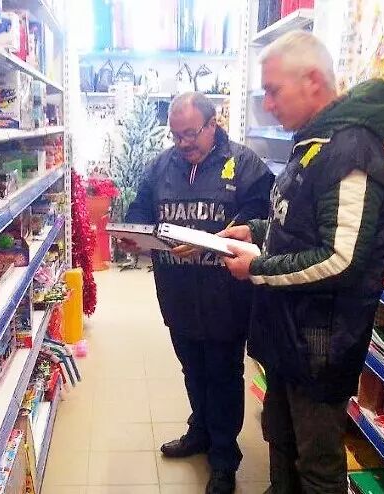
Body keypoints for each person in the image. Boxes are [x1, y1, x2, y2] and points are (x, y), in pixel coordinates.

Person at [221, 31, 384, 493]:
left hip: (319, 345)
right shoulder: (314, 142)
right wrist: (257, 231)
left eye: (274, 91)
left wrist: (257, 269)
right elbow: (298, 221)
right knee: (281, 439)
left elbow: (340, 259)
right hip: (288, 334)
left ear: (312, 81)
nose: (268, 104)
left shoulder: (352, 151)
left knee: (317, 463)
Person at [124, 92, 273, 494]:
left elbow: (262, 219)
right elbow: (139, 209)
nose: (183, 143)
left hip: (226, 297)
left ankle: (223, 458)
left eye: (191, 134)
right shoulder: (161, 166)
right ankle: (200, 431)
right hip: (177, 293)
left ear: (213, 123)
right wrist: (135, 234)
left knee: (223, 375)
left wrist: (217, 238)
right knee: (192, 368)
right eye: (176, 135)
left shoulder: (245, 164)